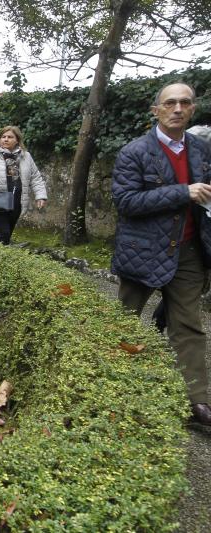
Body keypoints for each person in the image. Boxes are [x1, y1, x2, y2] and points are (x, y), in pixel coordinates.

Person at [111, 82, 211, 426]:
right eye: (170, 103)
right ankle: (109, 386)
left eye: (185, 103)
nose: (178, 109)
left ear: (193, 109)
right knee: (123, 321)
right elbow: (126, 202)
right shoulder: (134, 152)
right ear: (157, 111)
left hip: (188, 252)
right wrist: (181, 193)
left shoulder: (201, 150)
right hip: (143, 251)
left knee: (188, 327)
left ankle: (196, 403)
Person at [0, 126, 48, 244]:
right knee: (4, 234)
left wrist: (41, 196)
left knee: (5, 236)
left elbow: (36, 177)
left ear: (17, 140)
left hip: (17, 202)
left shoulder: (26, 156)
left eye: (10, 137)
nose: (6, 139)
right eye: (3, 137)